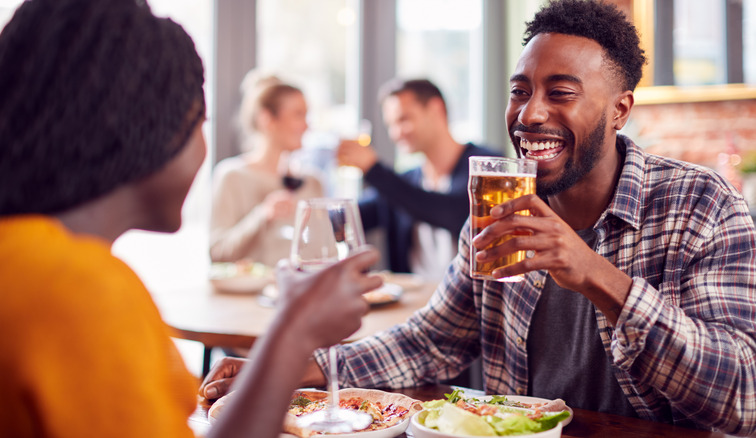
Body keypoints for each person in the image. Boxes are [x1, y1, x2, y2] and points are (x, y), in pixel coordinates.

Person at [205, 0, 756, 434]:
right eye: (520, 91)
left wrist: (596, 275)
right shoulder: (499, 207)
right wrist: (293, 372)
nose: (531, 113)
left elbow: (742, 396)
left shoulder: (700, 207)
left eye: (560, 93)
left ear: (619, 109)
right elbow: (431, 340)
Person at [0, 1, 381, 438]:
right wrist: (293, 333)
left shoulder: (4, 258)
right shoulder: (77, 291)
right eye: (199, 121)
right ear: (144, 127)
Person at [337, 78, 500, 280]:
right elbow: (349, 218)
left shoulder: (488, 166)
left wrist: (374, 170)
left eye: (404, 119)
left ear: (436, 109)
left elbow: (454, 213)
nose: (396, 133)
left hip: (470, 305)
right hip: (415, 303)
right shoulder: (407, 181)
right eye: (391, 125)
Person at [209, 72, 324, 267]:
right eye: (298, 115)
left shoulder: (312, 182)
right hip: (248, 296)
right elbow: (218, 253)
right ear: (266, 119)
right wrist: (262, 215)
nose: (307, 126)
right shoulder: (232, 176)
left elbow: (324, 255)